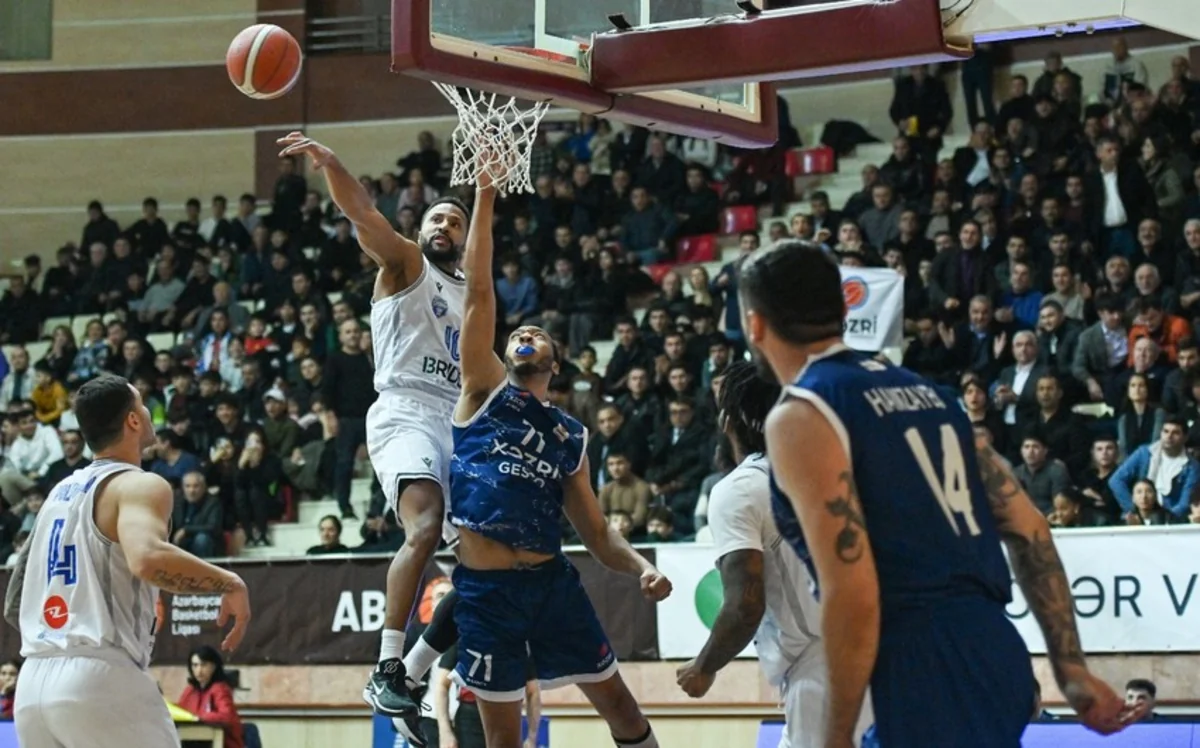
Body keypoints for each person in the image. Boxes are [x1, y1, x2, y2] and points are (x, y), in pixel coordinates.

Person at [738, 241, 1141, 748]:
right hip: (993, 649)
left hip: (922, 661)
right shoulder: (933, 397)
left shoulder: (803, 413)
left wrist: (834, 736)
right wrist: (1072, 670)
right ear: (843, 311)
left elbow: (853, 589)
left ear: (754, 324)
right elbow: (1030, 527)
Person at [439, 164, 671, 748]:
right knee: (502, 739)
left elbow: (596, 533)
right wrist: (486, 195)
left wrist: (642, 566)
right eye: (521, 331)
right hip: (486, 593)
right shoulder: (482, 390)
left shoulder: (571, 436)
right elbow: (481, 289)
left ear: (555, 362)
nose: (526, 333)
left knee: (621, 708)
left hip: (551, 585)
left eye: (539, 333)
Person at [278, 132, 467, 721]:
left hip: (455, 421)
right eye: (436, 216)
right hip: (405, 410)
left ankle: (408, 679)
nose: (443, 226)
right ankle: (386, 664)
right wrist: (332, 164)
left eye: (456, 222)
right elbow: (362, 212)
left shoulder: (474, 294)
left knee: (488, 573)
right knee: (427, 522)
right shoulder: (406, 260)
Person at [2, 373, 250, 748]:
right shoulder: (140, 484)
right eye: (142, 405)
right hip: (98, 677)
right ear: (133, 420)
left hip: (33, 686)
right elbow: (148, 559)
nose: (149, 412)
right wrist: (229, 582)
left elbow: (15, 600)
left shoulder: (57, 494)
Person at [675, 362, 874, 747]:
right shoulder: (840, 470)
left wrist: (704, 667)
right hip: (876, 644)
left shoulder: (740, 489)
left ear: (735, 418)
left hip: (824, 665)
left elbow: (745, 605)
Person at [178, 644, 245, 748]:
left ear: (214, 667)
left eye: (203, 665)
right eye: (195, 665)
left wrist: (199, 717)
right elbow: (179, 712)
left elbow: (226, 716)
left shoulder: (220, 689)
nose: (199, 671)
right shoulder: (190, 690)